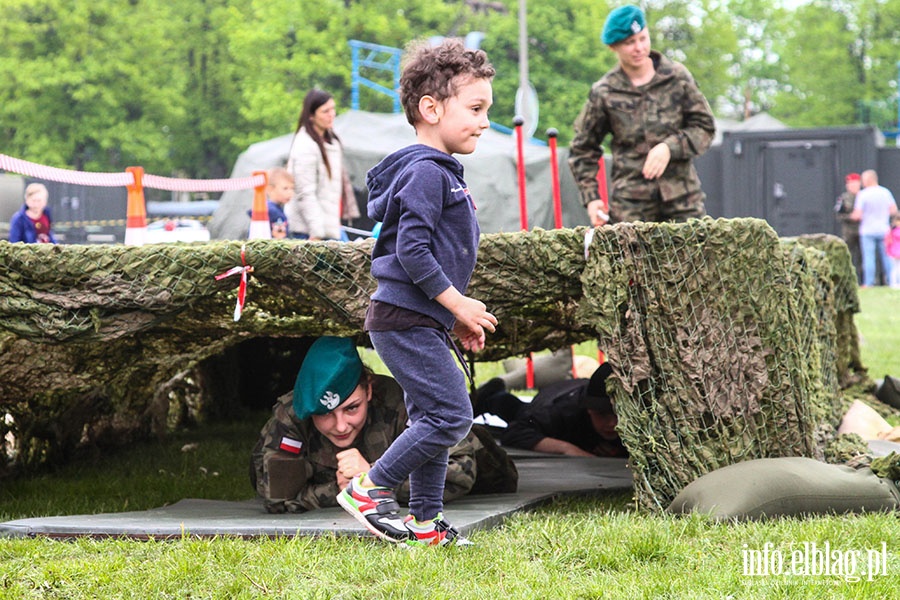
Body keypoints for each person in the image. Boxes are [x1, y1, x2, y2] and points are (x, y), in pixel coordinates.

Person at [337, 38, 498, 547]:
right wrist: (457, 302)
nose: (484, 121)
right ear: (431, 108)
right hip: (402, 322)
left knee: (432, 417)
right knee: (451, 415)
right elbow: (412, 253)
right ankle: (369, 488)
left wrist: (453, 320)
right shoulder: (428, 172)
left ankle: (425, 524)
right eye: (475, 108)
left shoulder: (438, 172)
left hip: (417, 320)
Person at [249, 336, 517, 514]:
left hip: (489, 473)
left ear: (368, 389)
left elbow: (459, 474)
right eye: (325, 414)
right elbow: (278, 499)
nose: (340, 426)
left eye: (351, 408)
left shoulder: (406, 401)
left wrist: (376, 478)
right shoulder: (292, 415)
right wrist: (343, 490)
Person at [568, 4, 715, 226]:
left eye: (643, 38)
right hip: (631, 209)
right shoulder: (605, 92)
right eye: (630, 43)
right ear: (613, 47)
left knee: (694, 258)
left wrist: (669, 147)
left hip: (682, 202)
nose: (639, 47)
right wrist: (592, 198)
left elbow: (704, 127)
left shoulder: (677, 77)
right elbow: (582, 148)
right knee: (631, 261)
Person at [474, 363, 629, 459]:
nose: (612, 423)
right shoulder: (563, 411)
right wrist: (568, 449)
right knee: (520, 412)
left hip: (576, 388)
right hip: (552, 396)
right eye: (602, 415)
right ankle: (491, 395)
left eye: (618, 414)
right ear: (589, 409)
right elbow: (515, 432)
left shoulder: (639, 417)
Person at [284, 89, 359, 241]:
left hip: (328, 228)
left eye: (333, 108)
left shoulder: (332, 141)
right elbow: (304, 192)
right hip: (308, 232)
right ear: (311, 116)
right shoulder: (305, 144)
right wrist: (316, 232)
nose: (332, 114)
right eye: (325, 111)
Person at [851, 169, 898, 287]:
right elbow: (893, 210)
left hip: (867, 230)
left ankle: (869, 282)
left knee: (869, 258)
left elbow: (857, 215)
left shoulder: (863, 194)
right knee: (887, 257)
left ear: (868, 180)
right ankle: (892, 281)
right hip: (883, 229)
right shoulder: (885, 192)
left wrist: (849, 215)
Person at [247, 167, 293, 238]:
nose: (290, 193)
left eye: (292, 188)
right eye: (285, 188)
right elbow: (279, 237)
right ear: (270, 189)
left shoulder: (272, 208)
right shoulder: (274, 212)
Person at [834, 172, 863, 283]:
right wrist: (850, 217)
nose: (852, 186)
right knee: (848, 255)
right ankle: (847, 280)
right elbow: (839, 214)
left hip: (863, 231)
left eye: (854, 184)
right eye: (850, 184)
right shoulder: (844, 198)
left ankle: (863, 280)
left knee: (863, 257)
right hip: (849, 231)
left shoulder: (864, 196)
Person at [886, 214, 900, 289]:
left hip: (894, 252)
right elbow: (888, 242)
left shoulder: (891, 231)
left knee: (896, 268)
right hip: (895, 252)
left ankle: (895, 283)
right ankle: (894, 283)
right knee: (895, 268)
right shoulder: (893, 232)